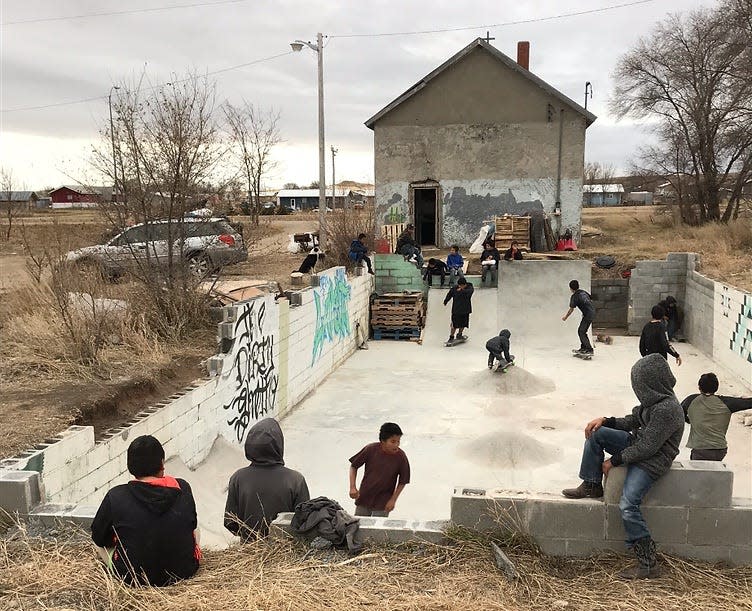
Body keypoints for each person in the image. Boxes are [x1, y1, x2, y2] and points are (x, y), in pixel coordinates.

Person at [562, 354, 685, 580]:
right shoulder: (653, 402)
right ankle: (591, 484)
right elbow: (632, 421)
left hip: (652, 461)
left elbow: (647, 448)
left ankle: (648, 564)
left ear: (653, 383)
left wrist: (614, 460)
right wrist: (606, 421)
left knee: (628, 505)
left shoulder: (667, 409)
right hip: (638, 444)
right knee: (597, 435)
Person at [91, 435, 201, 586]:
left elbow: (99, 538)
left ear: (130, 467)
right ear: (162, 463)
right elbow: (192, 524)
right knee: (196, 528)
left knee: (98, 543)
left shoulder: (115, 496)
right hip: (184, 572)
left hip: (133, 579)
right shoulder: (183, 487)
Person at [224, 418, 310, 539]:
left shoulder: (238, 478)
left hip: (248, 552)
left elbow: (230, 521)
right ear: (279, 445)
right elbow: (304, 522)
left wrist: (250, 536)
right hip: (285, 552)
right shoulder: (295, 480)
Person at [682, 373, 752, 461]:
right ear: (716, 388)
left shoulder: (691, 400)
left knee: (699, 472)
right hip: (720, 450)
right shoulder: (727, 402)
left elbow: (679, 414)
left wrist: (691, 421)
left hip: (700, 449)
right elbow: (748, 402)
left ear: (699, 387)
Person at [349, 422, 410, 517]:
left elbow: (403, 481)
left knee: (378, 528)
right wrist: (352, 487)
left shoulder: (401, 457)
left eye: (398, 441)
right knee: (359, 525)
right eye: (393, 442)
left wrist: (393, 500)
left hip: (384, 502)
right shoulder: (370, 449)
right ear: (383, 441)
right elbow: (354, 466)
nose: (396, 445)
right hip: (364, 497)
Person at [562, 280, 595, 356]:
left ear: (571, 288)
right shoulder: (583, 292)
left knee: (581, 331)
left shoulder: (574, 297)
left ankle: (589, 350)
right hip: (591, 312)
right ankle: (584, 348)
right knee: (582, 331)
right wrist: (587, 310)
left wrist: (565, 317)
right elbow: (591, 299)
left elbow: (571, 309)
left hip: (588, 315)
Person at [443, 277, 474, 343]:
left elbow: (470, 292)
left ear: (465, 284)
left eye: (462, 285)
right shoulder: (455, 288)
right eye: (459, 285)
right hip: (456, 310)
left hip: (465, 309)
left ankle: (459, 334)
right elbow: (450, 294)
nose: (460, 286)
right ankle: (451, 337)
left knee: (463, 323)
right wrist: (446, 300)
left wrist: (462, 290)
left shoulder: (469, 287)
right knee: (454, 324)